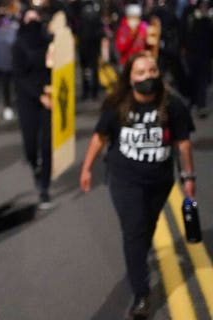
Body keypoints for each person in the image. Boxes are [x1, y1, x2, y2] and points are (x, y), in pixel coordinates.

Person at [79, 51, 196, 319]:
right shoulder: (118, 104)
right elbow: (100, 137)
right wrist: (86, 168)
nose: (148, 77)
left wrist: (188, 177)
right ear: (130, 78)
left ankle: (137, 260)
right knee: (133, 232)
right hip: (125, 179)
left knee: (147, 229)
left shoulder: (172, 105)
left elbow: (183, 143)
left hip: (160, 180)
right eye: (141, 73)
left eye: (152, 71)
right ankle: (141, 294)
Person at [12, 8, 54, 209]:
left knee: (47, 144)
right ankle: (34, 165)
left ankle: (44, 188)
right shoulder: (18, 45)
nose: (33, 21)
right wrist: (39, 96)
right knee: (31, 144)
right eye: (29, 18)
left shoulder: (48, 43)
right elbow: (19, 77)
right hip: (28, 99)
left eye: (36, 17)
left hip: (49, 98)